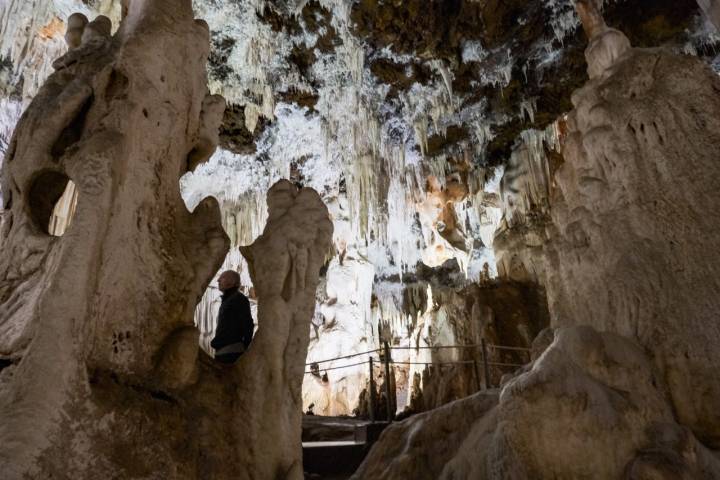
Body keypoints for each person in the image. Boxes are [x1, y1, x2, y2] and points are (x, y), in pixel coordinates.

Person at [211, 270, 254, 364]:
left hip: (231, 353)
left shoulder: (238, 299)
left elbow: (247, 324)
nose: (218, 280)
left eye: (222, 278)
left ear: (231, 282)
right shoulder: (229, 299)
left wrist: (245, 348)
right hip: (225, 351)